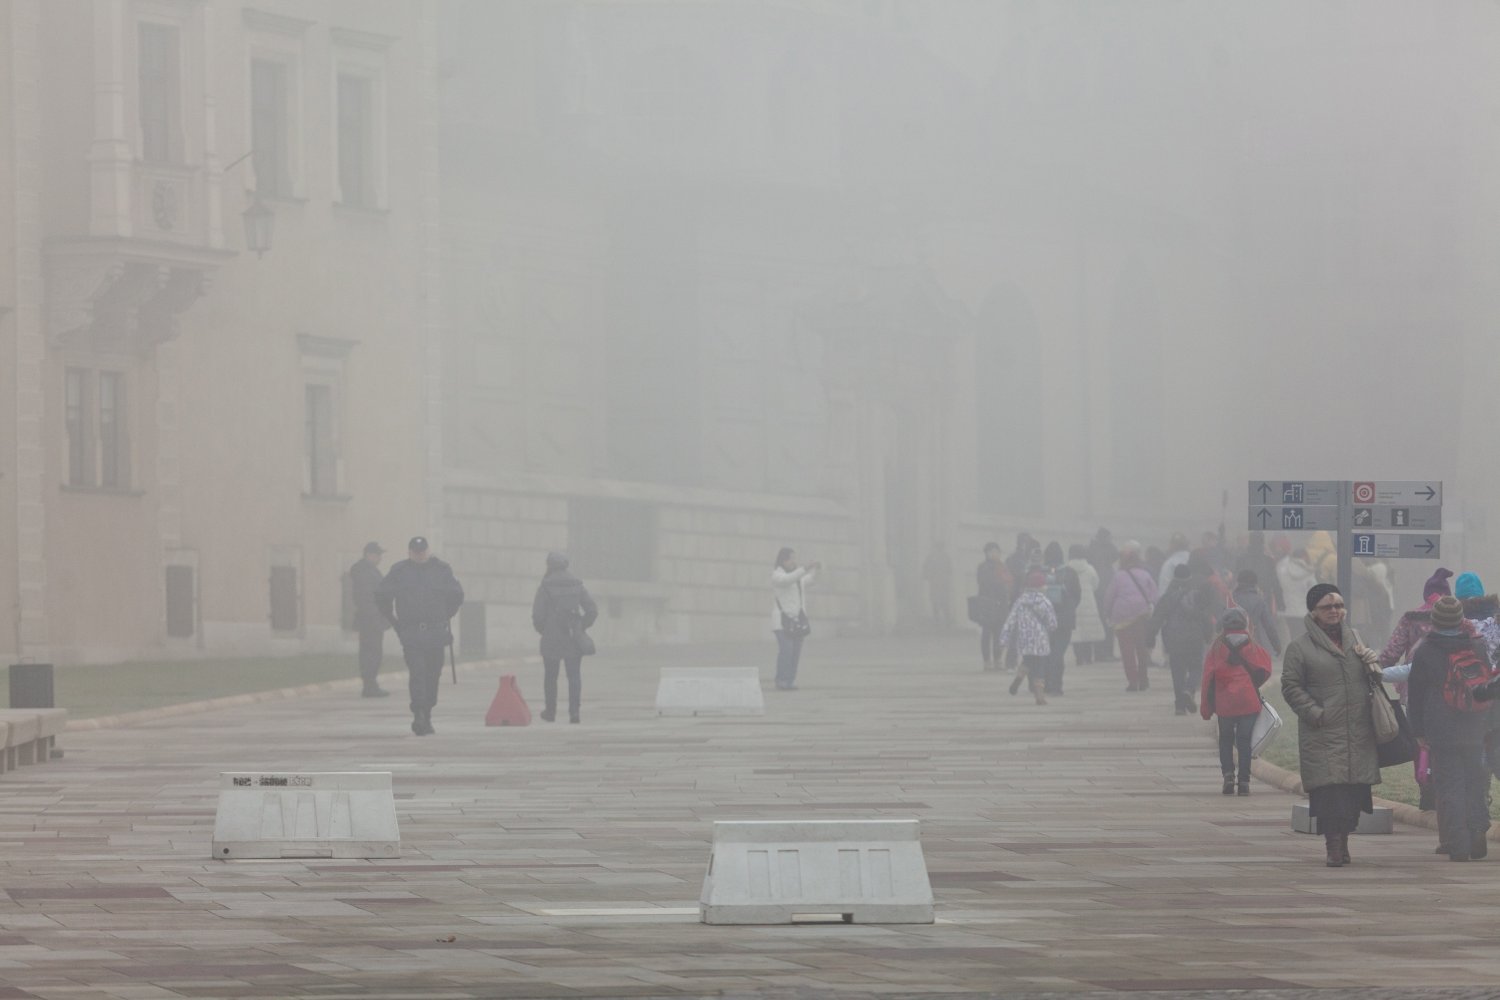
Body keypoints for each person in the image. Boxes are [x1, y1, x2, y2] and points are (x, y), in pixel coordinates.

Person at [1281, 583, 1383, 868]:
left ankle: (1345, 839)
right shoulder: (1298, 647)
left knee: (1352, 793)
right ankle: (1333, 846)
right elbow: (1290, 687)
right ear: (1314, 612)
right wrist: (1315, 713)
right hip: (1323, 732)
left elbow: (1370, 678)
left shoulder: (1356, 638)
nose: (1335, 611)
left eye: (1339, 605)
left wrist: (1372, 663)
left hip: (1357, 731)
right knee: (1329, 794)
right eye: (1328, 607)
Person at [1408, 596, 1495, 862]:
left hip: (1441, 728)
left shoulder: (1425, 650)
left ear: (1434, 620)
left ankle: (1458, 844)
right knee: (1475, 782)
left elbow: (1416, 693)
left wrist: (1418, 730)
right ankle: (1478, 830)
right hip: (1474, 725)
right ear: (1460, 619)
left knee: (1449, 786)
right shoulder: (1477, 645)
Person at [376, 536, 465, 736]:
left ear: (427, 550)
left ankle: (428, 712)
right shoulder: (399, 571)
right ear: (409, 552)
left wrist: (445, 615)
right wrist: (395, 622)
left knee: (433, 675)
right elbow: (381, 594)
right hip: (412, 633)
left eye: (422, 551)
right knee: (417, 674)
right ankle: (418, 714)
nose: (419, 554)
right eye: (416, 552)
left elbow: (457, 595)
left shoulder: (441, 570)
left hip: (435, 632)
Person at [1200, 608, 1272, 796]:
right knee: (1244, 741)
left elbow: (1207, 678)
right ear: (1245, 625)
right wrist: (1254, 683)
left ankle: (1228, 775)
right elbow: (1265, 668)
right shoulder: (1252, 645)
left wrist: (1206, 708)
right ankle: (1245, 781)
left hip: (1225, 703)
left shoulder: (1216, 647)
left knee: (1225, 739)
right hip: (1248, 701)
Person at [531, 551, 598, 724]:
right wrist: (581, 626)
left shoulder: (545, 586)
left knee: (550, 676)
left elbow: (537, 615)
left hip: (551, 638)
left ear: (550, 565)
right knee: (574, 675)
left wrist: (544, 631)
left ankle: (550, 712)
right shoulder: (576, 584)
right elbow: (592, 610)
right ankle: (574, 712)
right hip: (573, 637)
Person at [1148, 564, 1214, 715]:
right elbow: (1205, 617)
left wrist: (1150, 638)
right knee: (1196, 667)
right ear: (1189, 577)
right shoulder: (1197, 596)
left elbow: (1157, 618)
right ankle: (1189, 689)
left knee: (1177, 671)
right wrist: (1208, 634)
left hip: (1174, 639)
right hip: (1195, 638)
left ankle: (1179, 706)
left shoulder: (1168, 596)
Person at [1101, 542, 1158, 692]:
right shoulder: (1146, 574)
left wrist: (1107, 612)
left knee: (1127, 650)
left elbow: (1109, 597)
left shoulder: (1118, 576)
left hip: (1122, 616)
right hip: (1141, 615)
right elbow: (1153, 595)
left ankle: (1133, 681)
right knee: (1141, 648)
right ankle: (1144, 679)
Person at [1000, 570, 1057, 705]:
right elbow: (1052, 623)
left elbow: (1011, 620)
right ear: (1040, 586)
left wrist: (1004, 638)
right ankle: (1040, 696)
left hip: (1025, 639)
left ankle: (1018, 679)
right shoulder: (1045, 601)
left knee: (1028, 661)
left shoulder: (1020, 601)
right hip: (1040, 640)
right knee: (1040, 668)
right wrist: (1051, 629)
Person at [772, 547, 819, 690]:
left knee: (795, 653)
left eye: (794, 559)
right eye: (791, 559)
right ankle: (781, 679)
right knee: (786, 651)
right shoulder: (777, 575)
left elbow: (811, 580)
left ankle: (790, 680)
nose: (793, 562)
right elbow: (787, 580)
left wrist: (818, 569)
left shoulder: (798, 577)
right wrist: (805, 568)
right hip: (782, 621)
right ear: (783, 560)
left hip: (797, 621)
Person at [349, 541, 390, 698]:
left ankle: (371, 684)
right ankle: (369, 685)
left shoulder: (370, 571)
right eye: (377, 555)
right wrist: (374, 616)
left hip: (374, 618)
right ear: (369, 555)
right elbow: (366, 597)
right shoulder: (364, 572)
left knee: (374, 652)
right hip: (370, 619)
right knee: (371, 653)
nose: (380, 558)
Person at [1042, 543, 1081, 696]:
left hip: (1044, 618)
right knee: (1058, 653)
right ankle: (1056, 686)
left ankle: (1045, 683)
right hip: (1064, 619)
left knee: (1045, 652)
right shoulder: (1070, 573)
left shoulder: (1039, 573)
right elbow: (1077, 596)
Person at [975, 542, 1013, 672]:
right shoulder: (983, 567)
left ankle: (998, 659)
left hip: (1001, 604)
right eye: (992, 551)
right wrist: (1000, 583)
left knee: (999, 633)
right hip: (987, 603)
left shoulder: (1003, 566)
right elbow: (984, 582)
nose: (995, 554)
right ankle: (987, 660)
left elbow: (1009, 581)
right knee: (986, 633)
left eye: (997, 551)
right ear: (986, 553)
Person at [1067, 544, 1104, 665]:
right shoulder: (1090, 568)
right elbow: (1096, 584)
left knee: (1076, 632)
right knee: (1089, 632)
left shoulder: (1067, 568)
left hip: (1073, 602)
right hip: (1088, 602)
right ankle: (1088, 658)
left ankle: (1079, 658)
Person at [1231, 569, 1283, 657]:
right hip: (1252, 641)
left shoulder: (1232, 599)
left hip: (1232, 642)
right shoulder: (1259, 601)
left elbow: (1220, 623)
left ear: (1238, 582)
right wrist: (1276, 645)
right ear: (1255, 583)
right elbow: (1269, 626)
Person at [1087, 528, 1119, 661]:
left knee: (1100, 623)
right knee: (1107, 622)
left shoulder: (1091, 548)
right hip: (1104, 590)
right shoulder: (1105, 550)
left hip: (1099, 591)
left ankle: (1101, 653)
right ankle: (1105, 653)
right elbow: (1116, 555)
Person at [1276, 547, 1318, 634]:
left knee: (1293, 635)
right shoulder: (1308, 571)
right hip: (1304, 612)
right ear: (1304, 556)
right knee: (1304, 637)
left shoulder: (1284, 571)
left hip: (1289, 611)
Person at [922, 541, 954, 628]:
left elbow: (925, 570)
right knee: (943, 602)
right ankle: (946, 621)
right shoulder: (945, 557)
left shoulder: (931, 557)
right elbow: (950, 571)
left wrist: (928, 577)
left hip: (936, 583)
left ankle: (938, 621)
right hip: (943, 584)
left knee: (936, 602)